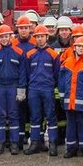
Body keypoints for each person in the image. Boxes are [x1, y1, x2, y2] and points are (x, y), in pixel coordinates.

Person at [0, 25, 27, 155]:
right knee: (1, 116)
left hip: (13, 86)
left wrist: (21, 89)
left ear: (10, 37)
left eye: (6, 36)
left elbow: (22, 72)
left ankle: (14, 143)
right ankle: (1, 143)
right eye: (1, 37)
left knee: (14, 115)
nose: (4, 39)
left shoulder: (19, 52)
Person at [23, 25, 60, 156]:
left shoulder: (53, 54)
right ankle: (35, 143)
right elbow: (26, 73)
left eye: (42, 36)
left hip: (48, 89)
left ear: (47, 37)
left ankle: (53, 144)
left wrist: (52, 86)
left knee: (50, 117)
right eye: (37, 37)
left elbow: (57, 73)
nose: (39, 39)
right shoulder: (29, 54)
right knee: (35, 117)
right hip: (33, 89)